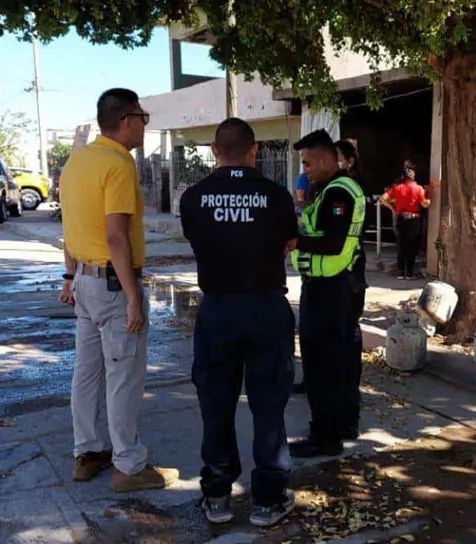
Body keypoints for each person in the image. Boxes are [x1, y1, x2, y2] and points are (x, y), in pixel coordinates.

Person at [179, 118, 299, 527]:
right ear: (254, 150)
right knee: (269, 407)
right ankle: (267, 499)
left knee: (216, 405)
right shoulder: (277, 196)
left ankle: (216, 495)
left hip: (217, 311)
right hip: (265, 308)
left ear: (215, 151)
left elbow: (197, 241)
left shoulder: (194, 198)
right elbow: (287, 245)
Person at [58, 88, 179, 493]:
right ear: (127, 120)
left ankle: (88, 452)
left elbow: (70, 227)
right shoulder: (118, 163)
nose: (145, 124)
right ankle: (128, 465)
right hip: (111, 285)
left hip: (85, 283)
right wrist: (132, 297)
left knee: (87, 372)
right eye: (142, 117)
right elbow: (114, 236)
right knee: (124, 374)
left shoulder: (77, 162)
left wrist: (69, 276)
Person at [289, 129, 367, 458]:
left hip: (330, 288)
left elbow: (333, 242)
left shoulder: (339, 193)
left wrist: (295, 240)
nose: (304, 169)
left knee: (323, 364)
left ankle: (325, 436)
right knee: (342, 361)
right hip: (339, 285)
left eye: (307, 163)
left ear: (324, 159)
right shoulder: (331, 189)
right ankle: (344, 424)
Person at [334, 138, 368, 441]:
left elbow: (333, 239)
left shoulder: (343, 189)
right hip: (348, 278)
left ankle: (347, 420)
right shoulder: (341, 186)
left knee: (344, 347)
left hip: (347, 280)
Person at [381, 160, 433, 279]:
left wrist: (392, 209)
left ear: (403, 177)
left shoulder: (397, 188)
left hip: (401, 218)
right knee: (412, 246)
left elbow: (383, 198)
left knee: (402, 245)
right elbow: (425, 204)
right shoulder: (419, 189)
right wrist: (429, 196)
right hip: (414, 220)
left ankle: (400, 272)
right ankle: (409, 273)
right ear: (413, 177)